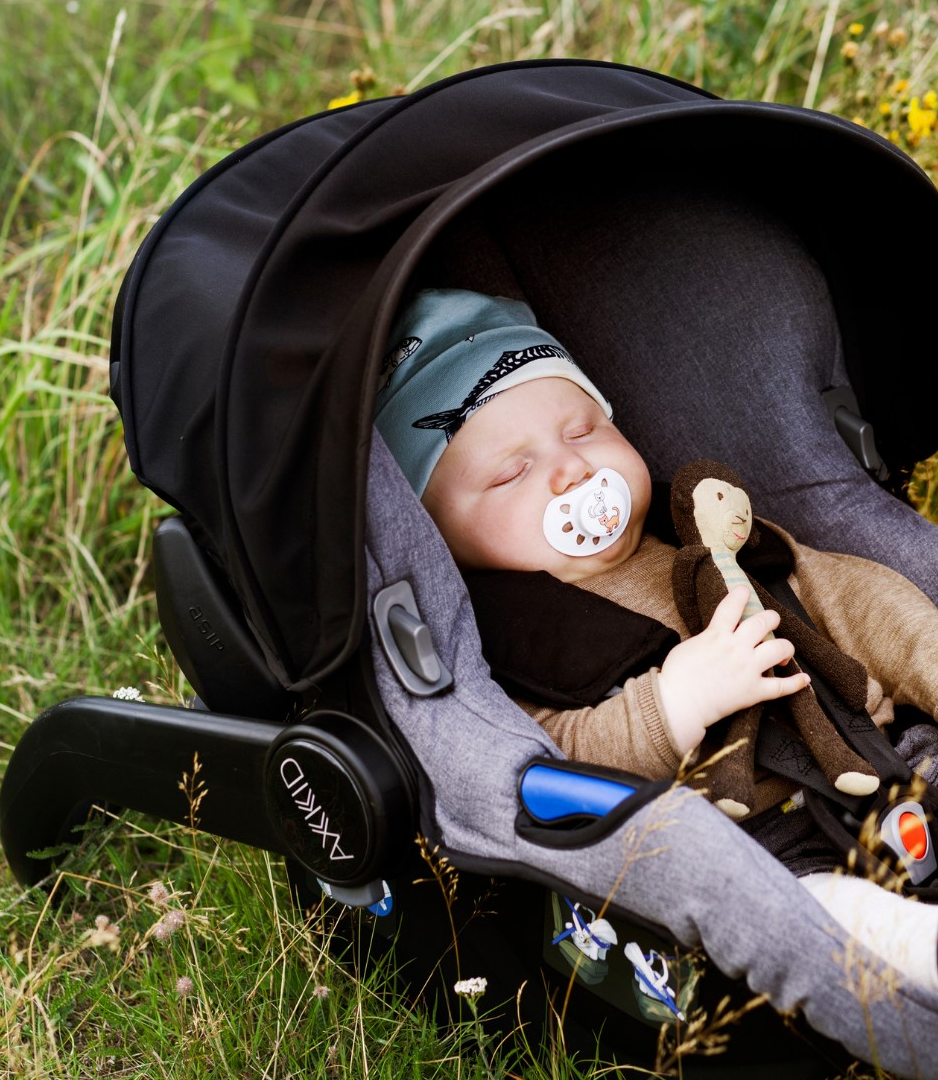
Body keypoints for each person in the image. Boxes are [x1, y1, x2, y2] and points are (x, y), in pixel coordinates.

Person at [375, 287, 938, 991]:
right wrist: (673, 702)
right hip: (748, 844)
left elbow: (844, 592)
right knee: (805, 913)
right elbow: (553, 765)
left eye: (584, 430)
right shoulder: (504, 643)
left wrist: (925, 660)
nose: (572, 469)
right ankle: (913, 951)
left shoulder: (700, 534)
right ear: (440, 536)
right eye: (510, 472)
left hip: (879, 750)